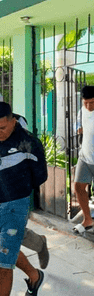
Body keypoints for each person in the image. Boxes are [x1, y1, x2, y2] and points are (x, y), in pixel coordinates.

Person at [0, 91, 48, 296]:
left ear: (12, 120)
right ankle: (34, 275)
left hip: (16, 203)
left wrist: (16, 185)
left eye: (2, 127)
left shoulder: (25, 138)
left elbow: (39, 173)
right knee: (2, 243)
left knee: (4, 264)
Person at [73, 85, 94, 235]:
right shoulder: (82, 111)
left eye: (92, 102)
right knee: (78, 187)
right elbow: (77, 124)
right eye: (85, 102)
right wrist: (78, 128)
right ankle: (87, 219)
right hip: (85, 157)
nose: (88, 106)